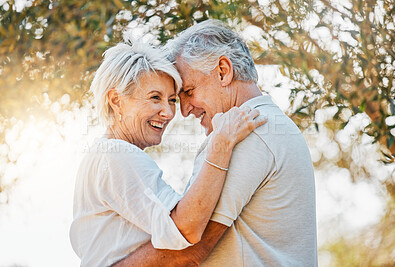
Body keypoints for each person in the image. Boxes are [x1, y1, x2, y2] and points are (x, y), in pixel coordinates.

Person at [113, 20, 317, 266]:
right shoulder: (273, 127)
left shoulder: (247, 133)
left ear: (223, 71)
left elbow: (188, 249)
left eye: (188, 91)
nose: (185, 110)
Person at [69, 40, 267, 266]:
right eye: (155, 97)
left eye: (172, 100)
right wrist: (221, 145)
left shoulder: (101, 155)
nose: (168, 112)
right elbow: (185, 229)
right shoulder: (117, 154)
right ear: (116, 100)